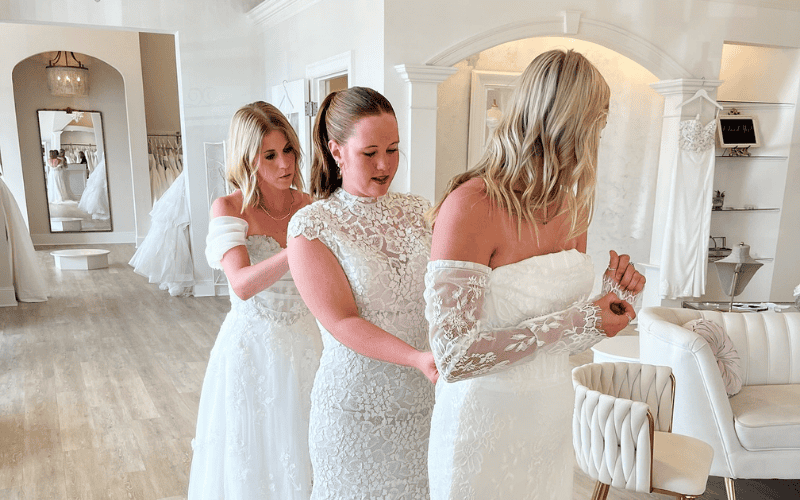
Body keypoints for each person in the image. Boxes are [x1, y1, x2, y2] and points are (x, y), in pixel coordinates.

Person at [424, 49, 646, 499]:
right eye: (597, 125)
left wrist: (609, 305)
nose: (598, 139)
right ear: (569, 125)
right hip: (482, 423)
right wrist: (580, 319)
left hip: (548, 417)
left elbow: (562, 338)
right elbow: (454, 358)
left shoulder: (572, 207)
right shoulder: (472, 205)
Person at [287, 87, 438, 499]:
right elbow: (341, 320)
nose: (385, 164)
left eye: (393, 149)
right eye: (370, 153)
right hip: (355, 411)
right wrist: (417, 358)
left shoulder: (418, 210)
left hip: (425, 405)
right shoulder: (312, 226)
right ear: (336, 151)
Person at [187, 101, 322, 499]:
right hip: (253, 348)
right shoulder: (230, 208)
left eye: (288, 150)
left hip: (306, 342)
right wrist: (295, 250)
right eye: (270, 155)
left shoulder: (309, 205)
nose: (285, 163)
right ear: (248, 159)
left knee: (305, 443)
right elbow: (242, 284)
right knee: (255, 452)